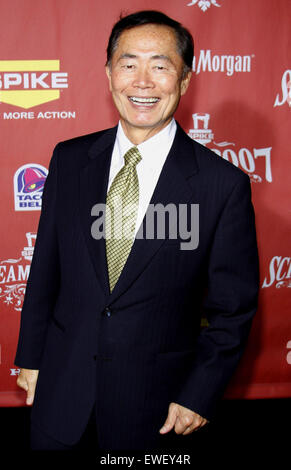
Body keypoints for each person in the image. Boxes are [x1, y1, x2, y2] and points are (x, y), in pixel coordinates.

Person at [14, 10, 259, 452]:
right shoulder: (70, 160)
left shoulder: (221, 185)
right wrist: (30, 358)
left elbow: (233, 310)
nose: (142, 82)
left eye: (160, 66)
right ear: (108, 73)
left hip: (156, 412)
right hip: (60, 396)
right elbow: (45, 270)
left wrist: (198, 394)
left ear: (184, 80)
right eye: (128, 64)